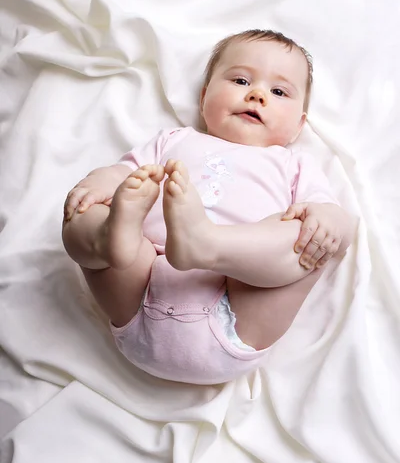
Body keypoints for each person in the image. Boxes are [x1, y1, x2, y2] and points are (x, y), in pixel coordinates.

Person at [62, 29, 356, 385]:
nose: (257, 94)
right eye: (241, 79)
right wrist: (101, 182)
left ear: (299, 126)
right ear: (204, 98)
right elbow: (123, 172)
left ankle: (208, 243)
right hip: (140, 284)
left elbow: (333, 217)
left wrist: (330, 219)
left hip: (238, 311)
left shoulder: (293, 165)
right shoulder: (174, 140)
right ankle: (110, 238)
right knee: (84, 210)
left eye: (278, 92)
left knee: (306, 235)